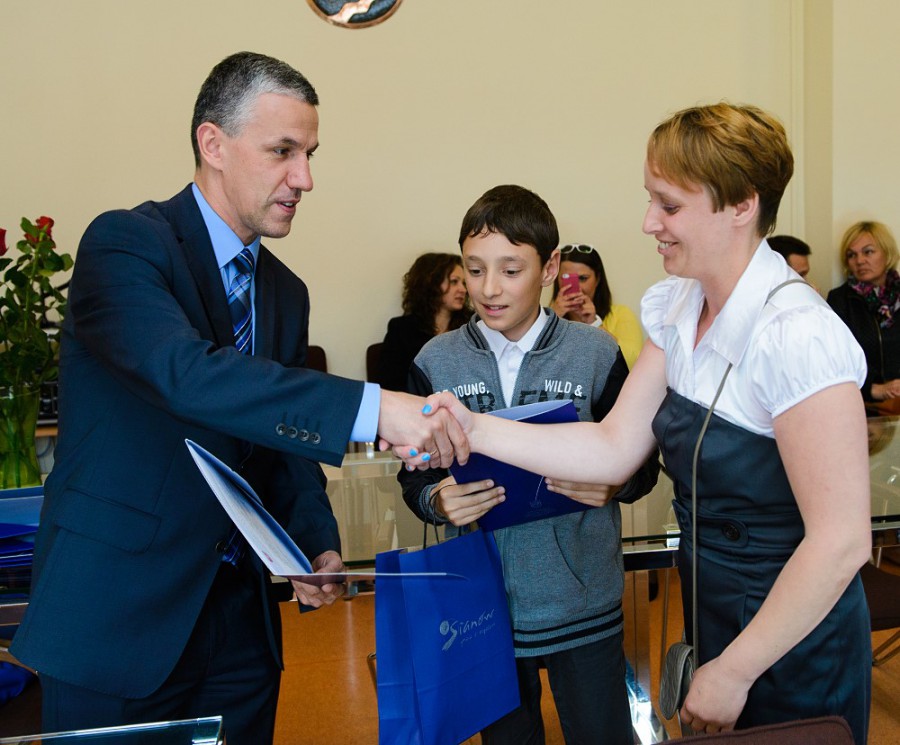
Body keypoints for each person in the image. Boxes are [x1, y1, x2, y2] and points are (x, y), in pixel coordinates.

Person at [9, 51, 466, 743]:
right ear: (213, 144)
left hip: (240, 626)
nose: (304, 179)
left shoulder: (285, 292)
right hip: (117, 614)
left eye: (310, 155)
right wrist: (376, 407)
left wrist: (316, 542)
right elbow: (187, 376)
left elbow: (278, 443)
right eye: (283, 151)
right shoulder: (125, 244)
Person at [412, 104, 872, 742]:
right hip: (712, 604)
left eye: (669, 205)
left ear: (742, 205)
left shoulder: (799, 335)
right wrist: (471, 426)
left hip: (792, 632)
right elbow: (612, 446)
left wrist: (736, 669)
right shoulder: (680, 307)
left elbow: (841, 540)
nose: (649, 222)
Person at [399, 184, 659, 745]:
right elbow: (415, 473)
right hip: (483, 607)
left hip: (583, 600)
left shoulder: (595, 354)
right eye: (474, 270)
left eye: (510, 270)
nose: (488, 289)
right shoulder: (436, 361)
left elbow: (644, 464)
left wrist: (614, 483)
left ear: (550, 268)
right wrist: (437, 498)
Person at [827, 221, 900, 406]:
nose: (859, 261)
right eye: (852, 255)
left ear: (887, 253)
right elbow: (836, 359)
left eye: (868, 252)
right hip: (864, 405)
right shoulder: (840, 300)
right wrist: (874, 389)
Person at [375, 252, 471, 391]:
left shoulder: (472, 326)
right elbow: (389, 385)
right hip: (418, 403)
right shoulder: (402, 329)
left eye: (464, 283)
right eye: (454, 281)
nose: (463, 289)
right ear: (431, 283)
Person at [549, 243, 643, 368]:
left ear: (597, 279)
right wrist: (552, 321)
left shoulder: (620, 314)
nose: (577, 287)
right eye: (567, 278)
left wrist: (595, 323)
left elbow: (634, 362)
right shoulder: (546, 316)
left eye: (583, 278)